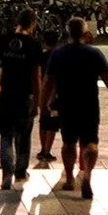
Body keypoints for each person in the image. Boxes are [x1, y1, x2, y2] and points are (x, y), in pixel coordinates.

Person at [41, 16, 108, 198]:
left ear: (67, 32)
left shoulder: (58, 54)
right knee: (90, 141)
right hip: (89, 103)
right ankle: (87, 175)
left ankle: (69, 179)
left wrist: (44, 103)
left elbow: (48, 81)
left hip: (67, 103)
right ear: (85, 33)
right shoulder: (94, 53)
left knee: (68, 142)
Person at [0, 14, 44, 192]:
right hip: (25, 96)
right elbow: (35, 76)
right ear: (32, 25)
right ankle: (20, 172)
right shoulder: (34, 45)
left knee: (6, 135)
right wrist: (37, 100)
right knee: (24, 136)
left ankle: (6, 172)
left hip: (7, 94)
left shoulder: (4, 40)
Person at [35, 17, 61, 168]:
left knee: (43, 120)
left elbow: (38, 75)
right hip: (55, 93)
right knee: (52, 123)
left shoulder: (42, 56)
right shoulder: (59, 55)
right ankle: (47, 150)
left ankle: (42, 148)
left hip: (42, 91)